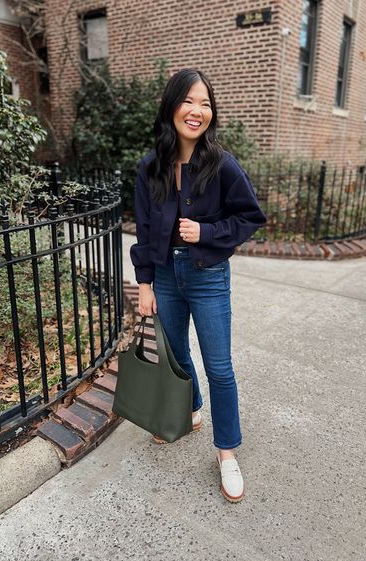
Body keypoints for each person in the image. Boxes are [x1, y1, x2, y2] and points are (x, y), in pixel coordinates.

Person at [130, 68, 267, 503]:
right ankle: (189, 410)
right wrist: (146, 283)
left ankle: (227, 453)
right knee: (178, 355)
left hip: (208, 277)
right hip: (165, 277)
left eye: (206, 103)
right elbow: (145, 228)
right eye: (189, 101)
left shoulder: (222, 164)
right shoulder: (150, 167)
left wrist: (205, 234)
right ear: (172, 107)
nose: (198, 111)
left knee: (220, 368)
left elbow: (250, 217)